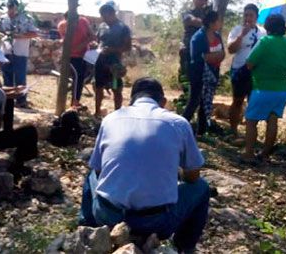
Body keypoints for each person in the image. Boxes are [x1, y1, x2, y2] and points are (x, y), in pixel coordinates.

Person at [79, 78, 210, 253]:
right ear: (163, 102)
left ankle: (89, 234)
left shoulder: (112, 118)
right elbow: (193, 176)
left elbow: (98, 169)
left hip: (108, 216)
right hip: (156, 223)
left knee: (91, 177)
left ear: (131, 101)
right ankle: (184, 247)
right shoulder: (178, 123)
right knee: (201, 187)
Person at [241, 14, 286, 163]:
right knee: (272, 119)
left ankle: (249, 153)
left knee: (251, 120)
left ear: (267, 27)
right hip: (281, 90)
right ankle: (265, 154)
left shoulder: (264, 41)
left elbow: (250, 63)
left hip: (262, 88)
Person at [183, 10, 225, 135]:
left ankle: (201, 131)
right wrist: (215, 56)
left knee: (205, 101)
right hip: (198, 74)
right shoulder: (199, 37)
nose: (220, 22)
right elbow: (203, 57)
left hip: (212, 73)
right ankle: (181, 127)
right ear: (212, 23)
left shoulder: (217, 36)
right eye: (218, 20)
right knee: (194, 100)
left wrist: (214, 56)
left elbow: (223, 54)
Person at [0, 87, 38, 177]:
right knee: (30, 132)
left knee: (9, 101)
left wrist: (13, 90)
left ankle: (9, 139)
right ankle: (18, 165)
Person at [227, 4, 266, 135]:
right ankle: (233, 130)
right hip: (239, 69)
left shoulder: (262, 32)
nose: (248, 18)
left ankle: (251, 133)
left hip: (257, 71)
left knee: (253, 101)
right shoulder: (237, 29)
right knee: (237, 100)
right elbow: (231, 49)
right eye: (246, 15)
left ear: (256, 17)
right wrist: (242, 35)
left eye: (251, 15)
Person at [0, 0, 39, 108]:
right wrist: (4, 35)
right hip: (6, 50)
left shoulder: (26, 18)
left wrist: (20, 36)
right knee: (7, 76)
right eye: (8, 8)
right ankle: (8, 100)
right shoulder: (3, 18)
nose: (10, 11)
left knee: (20, 77)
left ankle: (21, 101)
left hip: (20, 51)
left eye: (12, 8)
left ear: (17, 7)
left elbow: (34, 33)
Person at [94, 3, 132, 116]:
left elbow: (128, 47)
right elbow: (99, 41)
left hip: (114, 65)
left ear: (112, 14)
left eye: (105, 16)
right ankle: (97, 112)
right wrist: (95, 46)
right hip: (100, 62)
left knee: (116, 89)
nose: (103, 18)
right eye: (102, 16)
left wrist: (112, 49)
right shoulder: (102, 26)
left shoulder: (123, 28)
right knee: (98, 87)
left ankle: (117, 113)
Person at [58, 12, 96, 109]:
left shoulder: (83, 21)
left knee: (81, 78)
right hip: (71, 56)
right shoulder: (62, 26)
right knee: (77, 77)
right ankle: (74, 103)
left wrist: (83, 44)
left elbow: (92, 36)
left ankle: (76, 101)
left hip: (84, 55)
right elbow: (65, 42)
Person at [180, 0, 210, 81]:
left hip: (204, 52)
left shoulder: (207, 13)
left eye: (205, 0)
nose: (202, 2)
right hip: (189, 51)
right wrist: (208, 23)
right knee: (188, 80)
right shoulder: (187, 13)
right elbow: (193, 21)